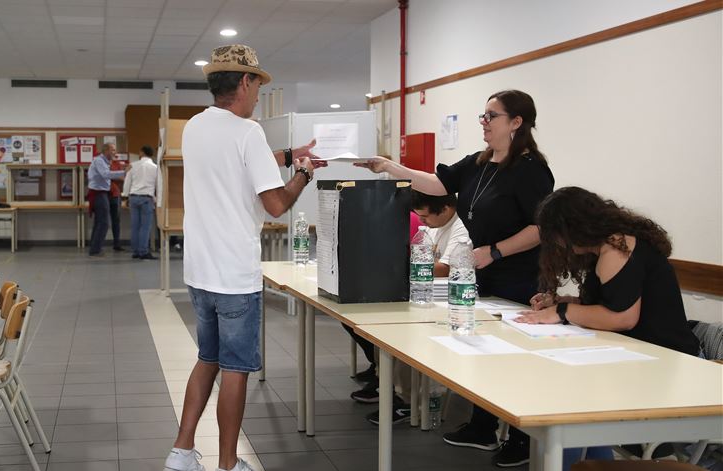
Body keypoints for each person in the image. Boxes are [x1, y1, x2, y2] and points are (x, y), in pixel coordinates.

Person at [356, 89, 554, 467]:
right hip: (483, 275)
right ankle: (483, 425)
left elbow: (541, 228)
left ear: (516, 123)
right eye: (483, 116)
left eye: (491, 116)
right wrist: (391, 168)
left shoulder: (530, 170)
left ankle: (521, 439)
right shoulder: (480, 163)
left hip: (520, 276)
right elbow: (437, 183)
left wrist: (495, 251)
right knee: (485, 352)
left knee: (515, 360)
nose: (484, 122)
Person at [164, 44, 322, 471]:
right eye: (256, 85)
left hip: (200, 272)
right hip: (235, 275)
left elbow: (239, 162)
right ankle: (229, 464)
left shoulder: (196, 128)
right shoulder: (248, 132)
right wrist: (304, 175)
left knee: (207, 359)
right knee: (236, 369)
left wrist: (290, 155)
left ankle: (181, 452)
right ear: (245, 82)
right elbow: (274, 204)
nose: (257, 95)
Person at [515, 186, 701, 469]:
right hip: (639, 355)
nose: (558, 245)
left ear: (571, 228)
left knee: (569, 400)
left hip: (665, 362)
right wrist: (565, 301)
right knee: (572, 395)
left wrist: (562, 311)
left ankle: (575, 462)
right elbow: (612, 302)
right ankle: (587, 461)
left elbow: (622, 317)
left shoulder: (617, 247)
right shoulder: (609, 245)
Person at [349, 191, 469, 407]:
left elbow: (445, 268)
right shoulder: (434, 226)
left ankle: (404, 398)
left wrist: (401, 266)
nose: (421, 222)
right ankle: (384, 379)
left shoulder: (460, 227)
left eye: (424, 217)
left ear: (446, 209)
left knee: (405, 335)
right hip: (425, 294)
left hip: (449, 300)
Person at [122, 145, 161, 260]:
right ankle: (143, 251)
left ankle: (135, 251)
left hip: (133, 198)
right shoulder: (155, 168)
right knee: (145, 227)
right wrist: (157, 199)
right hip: (147, 198)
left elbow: (127, 182)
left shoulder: (132, 166)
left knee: (135, 225)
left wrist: (125, 197)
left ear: (141, 152)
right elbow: (158, 185)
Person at [86, 143, 125, 256]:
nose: (114, 152)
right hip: (99, 193)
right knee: (103, 223)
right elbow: (106, 174)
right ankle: (95, 249)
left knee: (99, 222)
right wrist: (124, 172)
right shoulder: (99, 161)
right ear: (106, 151)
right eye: (112, 150)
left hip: (102, 193)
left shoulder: (104, 162)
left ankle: (94, 248)